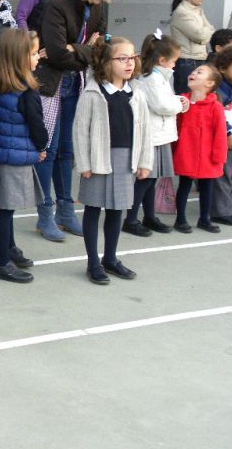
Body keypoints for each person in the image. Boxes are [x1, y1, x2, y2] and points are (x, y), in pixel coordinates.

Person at [35, 0, 125, 242]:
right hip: (54, 84)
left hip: (78, 83)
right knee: (48, 150)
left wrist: (77, 49)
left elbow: (102, 48)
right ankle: (45, 213)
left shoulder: (96, 6)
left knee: (67, 151)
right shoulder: (59, 3)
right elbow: (57, 54)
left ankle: (65, 210)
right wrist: (83, 48)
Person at [73, 36, 152, 285]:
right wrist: (84, 164)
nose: (130, 63)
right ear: (107, 62)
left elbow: (145, 131)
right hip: (98, 160)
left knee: (117, 210)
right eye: (122, 58)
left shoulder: (137, 93)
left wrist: (145, 161)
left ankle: (110, 258)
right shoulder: (93, 93)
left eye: (133, 57)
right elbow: (80, 130)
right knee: (93, 208)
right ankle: (93, 262)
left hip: (125, 160)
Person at [0, 29, 47, 283]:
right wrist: (41, 147)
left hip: (3, 153)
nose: (38, 58)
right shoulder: (26, 92)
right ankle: (1, 263)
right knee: (5, 211)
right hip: (16, 156)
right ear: (19, 58)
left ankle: (9, 249)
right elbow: (37, 126)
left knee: (5, 208)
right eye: (34, 53)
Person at [122, 32, 188, 237]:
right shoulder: (151, 78)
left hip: (159, 135)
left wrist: (176, 101)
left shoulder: (158, 76)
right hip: (152, 136)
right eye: (174, 61)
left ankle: (149, 216)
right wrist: (180, 103)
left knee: (151, 179)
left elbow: (165, 101)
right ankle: (130, 219)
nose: (175, 65)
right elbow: (161, 105)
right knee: (145, 179)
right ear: (162, 60)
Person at [172, 63, 227, 234]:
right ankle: (180, 219)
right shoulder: (182, 102)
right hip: (186, 153)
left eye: (200, 72)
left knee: (207, 188)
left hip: (207, 156)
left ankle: (204, 219)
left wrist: (219, 157)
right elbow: (176, 128)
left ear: (209, 83)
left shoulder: (215, 106)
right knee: (184, 186)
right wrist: (175, 150)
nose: (194, 73)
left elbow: (220, 133)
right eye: (194, 71)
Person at [169, 0, 215, 94]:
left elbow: (211, 31)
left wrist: (206, 32)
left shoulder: (198, 11)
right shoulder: (182, 13)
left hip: (199, 59)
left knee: (199, 96)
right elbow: (200, 36)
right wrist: (207, 32)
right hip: (187, 62)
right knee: (186, 97)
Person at [211, 46, 232, 225]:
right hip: (223, 137)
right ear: (222, 69)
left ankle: (228, 206)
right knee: (223, 174)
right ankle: (221, 211)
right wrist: (228, 133)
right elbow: (217, 115)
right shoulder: (218, 90)